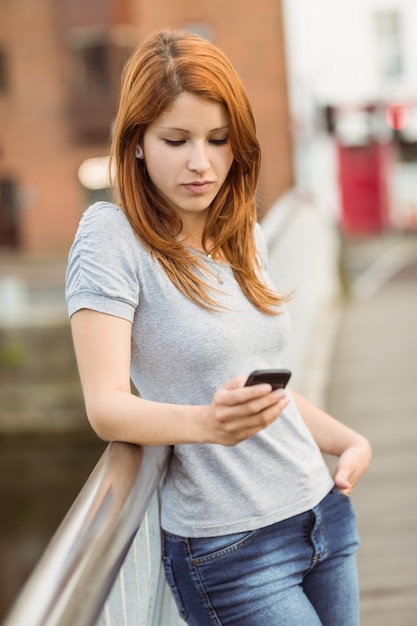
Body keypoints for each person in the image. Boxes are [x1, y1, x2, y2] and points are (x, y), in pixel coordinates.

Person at [65, 29, 372, 626]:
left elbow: (266, 394)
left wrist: (347, 439)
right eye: (175, 140)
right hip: (231, 549)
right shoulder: (111, 237)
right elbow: (105, 406)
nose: (200, 162)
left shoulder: (240, 230)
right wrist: (207, 424)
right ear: (136, 143)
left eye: (218, 140)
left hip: (321, 512)